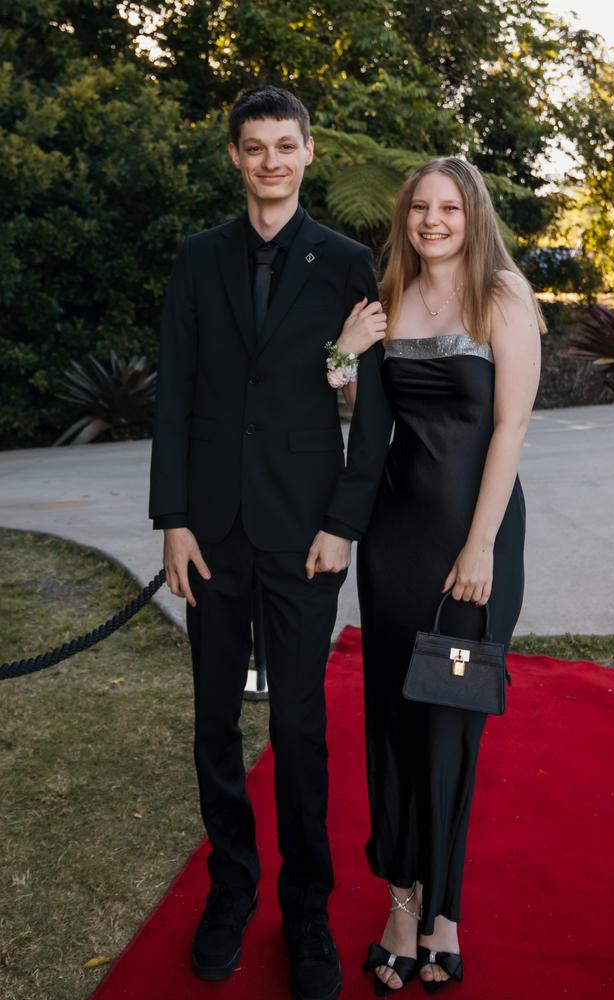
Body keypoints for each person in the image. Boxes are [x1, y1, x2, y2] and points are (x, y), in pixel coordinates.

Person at [148, 86, 392, 1000]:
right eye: (254, 148)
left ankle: (308, 913)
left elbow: (370, 409)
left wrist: (345, 523)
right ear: (235, 159)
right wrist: (171, 517)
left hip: (305, 537)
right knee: (217, 722)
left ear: (309, 152)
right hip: (211, 535)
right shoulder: (198, 260)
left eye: (284, 146)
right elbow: (174, 395)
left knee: (296, 726)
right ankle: (230, 889)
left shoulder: (348, 262)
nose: (270, 161)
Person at [334, 156, 542, 995]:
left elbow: (512, 427)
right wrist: (341, 357)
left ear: (472, 213)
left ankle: (444, 915)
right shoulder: (389, 297)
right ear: (404, 216)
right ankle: (400, 900)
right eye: (419, 207)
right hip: (395, 544)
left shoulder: (504, 295)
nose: (431, 220)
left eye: (447, 207)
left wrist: (481, 544)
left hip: (476, 545)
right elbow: (363, 417)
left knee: (450, 722)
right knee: (391, 714)